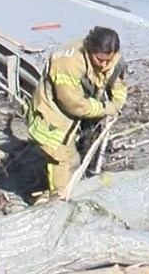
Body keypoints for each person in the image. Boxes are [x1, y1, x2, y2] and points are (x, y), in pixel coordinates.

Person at [26, 26, 128, 201]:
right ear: (90, 50)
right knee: (62, 159)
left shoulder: (112, 59)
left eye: (108, 61)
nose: (104, 65)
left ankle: (67, 192)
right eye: (100, 60)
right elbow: (74, 105)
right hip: (53, 116)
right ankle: (58, 200)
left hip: (79, 113)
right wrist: (106, 108)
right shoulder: (67, 63)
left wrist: (117, 104)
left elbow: (117, 84)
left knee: (73, 160)